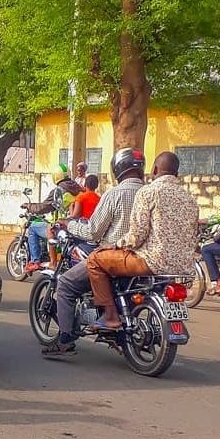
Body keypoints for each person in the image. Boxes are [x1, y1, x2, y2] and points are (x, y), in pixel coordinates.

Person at [41, 152, 145, 357]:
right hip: (142, 258)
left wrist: (70, 225)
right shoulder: (148, 193)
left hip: (113, 256)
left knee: (66, 284)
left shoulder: (114, 194)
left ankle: (65, 339)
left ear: (117, 169)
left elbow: (93, 231)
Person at [85, 151, 199, 329]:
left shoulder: (149, 192)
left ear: (154, 169)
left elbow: (137, 235)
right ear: (176, 173)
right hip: (182, 267)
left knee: (94, 260)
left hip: (152, 262)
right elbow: (193, 235)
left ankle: (110, 316)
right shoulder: (190, 198)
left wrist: (114, 245)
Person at [22, 167, 82, 274]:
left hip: (61, 225)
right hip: (78, 225)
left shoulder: (58, 190)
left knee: (32, 228)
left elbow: (43, 207)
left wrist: (29, 206)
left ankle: (35, 261)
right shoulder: (78, 188)